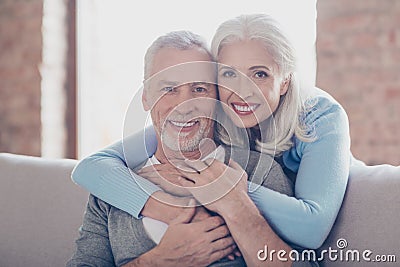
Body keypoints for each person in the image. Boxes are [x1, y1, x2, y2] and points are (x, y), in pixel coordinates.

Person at [72, 13, 351, 251]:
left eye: (260, 74)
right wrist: (164, 206)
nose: (242, 91)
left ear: (285, 81)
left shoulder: (320, 117)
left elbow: (312, 228)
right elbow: (91, 166)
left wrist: (223, 189)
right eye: (229, 74)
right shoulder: (207, 116)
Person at [68, 31, 295, 267]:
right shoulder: (113, 187)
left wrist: (240, 213)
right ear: (145, 97)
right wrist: (157, 261)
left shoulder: (260, 171)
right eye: (169, 89)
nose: (184, 106)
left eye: (199, 89)